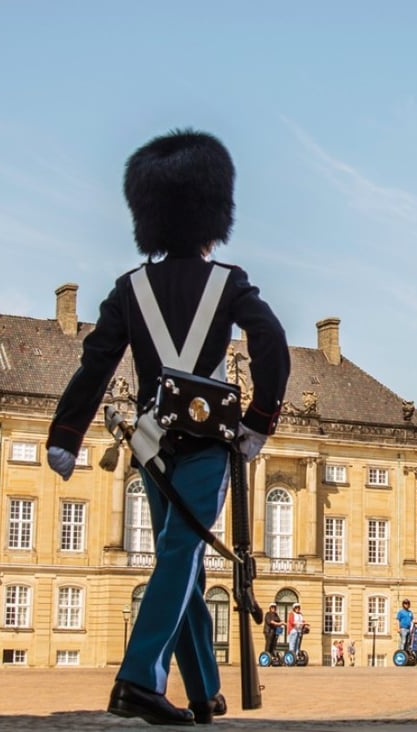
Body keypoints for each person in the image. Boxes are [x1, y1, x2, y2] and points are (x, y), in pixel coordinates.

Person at [45, 129, 289, 726]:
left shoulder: (129, 290)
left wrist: (65, 434)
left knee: (177, 558)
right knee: (181, 557)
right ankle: (137, 680)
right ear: (212, 218)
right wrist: (259, 418)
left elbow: (96, 362)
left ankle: (203, 689)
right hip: (206, 442)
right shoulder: (228, 282)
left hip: (151, 446)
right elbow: (272, 342)